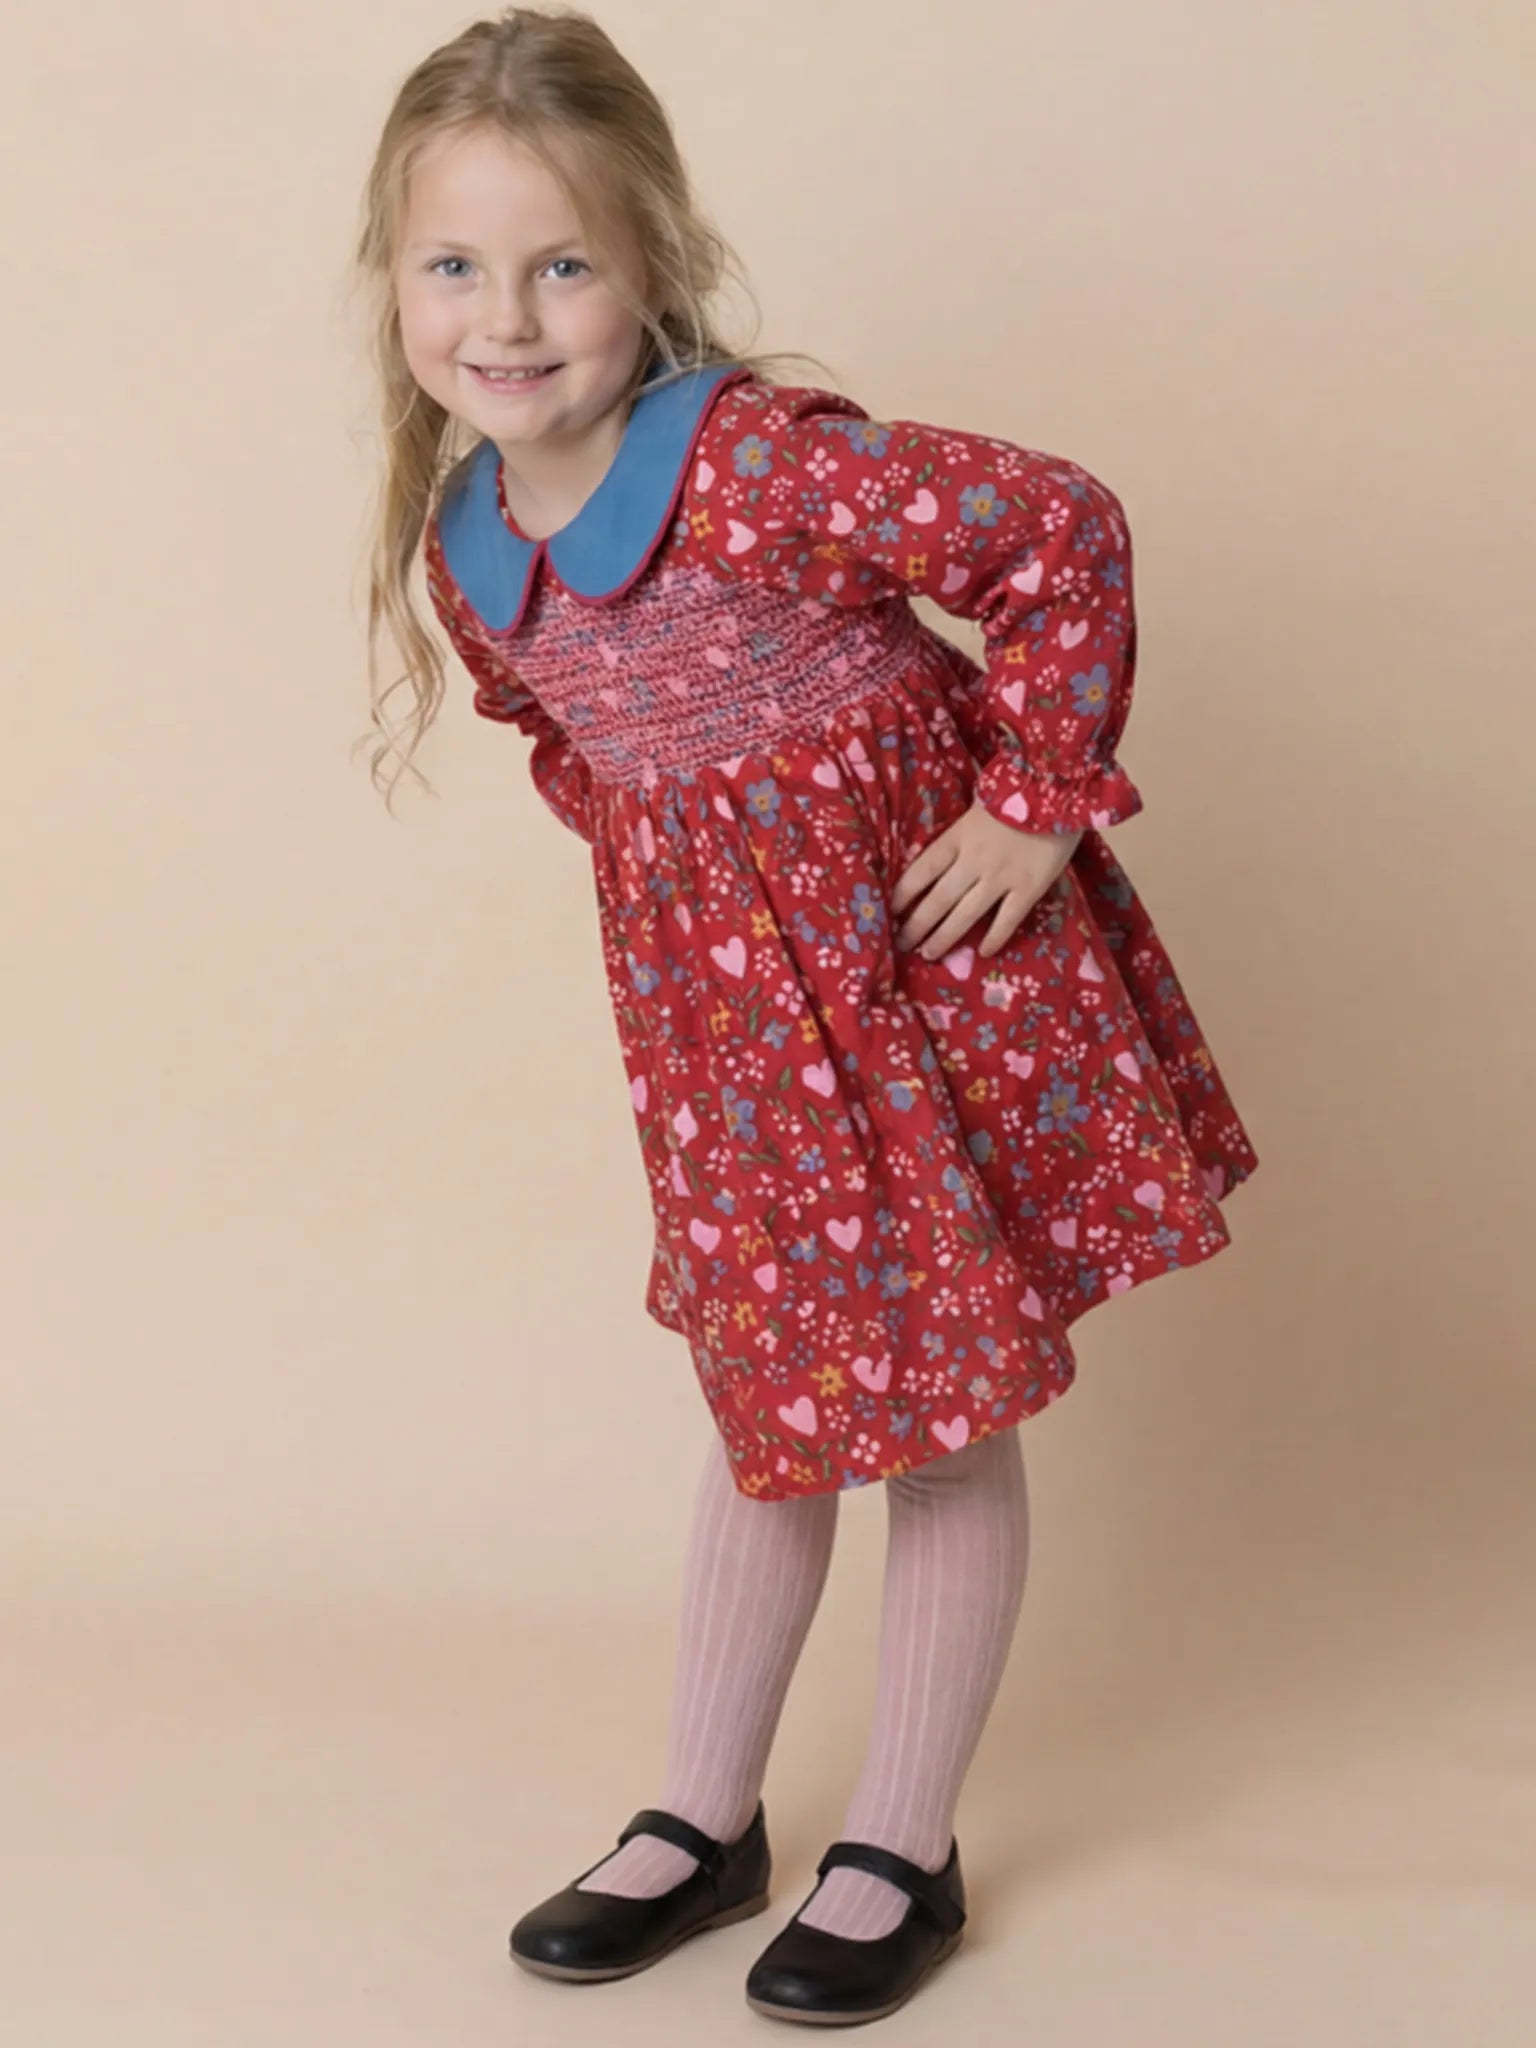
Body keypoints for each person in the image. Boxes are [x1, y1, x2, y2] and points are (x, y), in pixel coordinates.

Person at [351, 5, 1259, 2027]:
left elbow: (1058, 530)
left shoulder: (759, 465)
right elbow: (571, 741)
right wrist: (704, 921)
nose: (506, 317)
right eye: (455, 265)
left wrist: (1034, 800)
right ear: (391, 284)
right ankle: (705, 1818)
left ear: (652, 264)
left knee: (938, 1412)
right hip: (734, 1055)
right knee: (768, 1414)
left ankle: (903, 1844)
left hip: (926, 998)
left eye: (562, 264)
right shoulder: (468, 545)